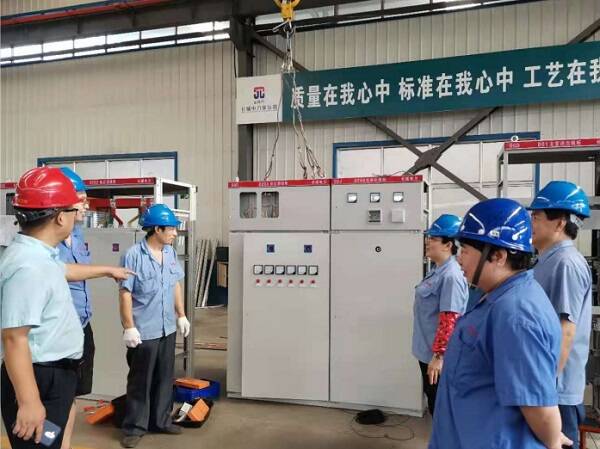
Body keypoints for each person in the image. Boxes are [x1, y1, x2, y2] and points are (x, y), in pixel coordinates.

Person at [0, 167, 132, 449]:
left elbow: (65, 270)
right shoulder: (29, 267)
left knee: (50, 440)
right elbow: (14, 338)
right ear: (60, 217)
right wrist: (29, 403)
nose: (78, 213)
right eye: (74, 208)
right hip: (40, 380)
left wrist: (108, 270)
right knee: (38, 442)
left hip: (55, 377)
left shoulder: (41, 254)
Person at [429, 198, 572, 449]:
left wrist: (552, 438)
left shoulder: (517, 314)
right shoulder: (494, 295)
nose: (459, 259)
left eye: (465, 250)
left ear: (498, 256)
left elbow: (538, 407)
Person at [119, 204, 191, 448]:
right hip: (144, 331)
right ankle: (134, 427)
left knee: (164, 377)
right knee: (140, 381)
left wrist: (181, 315)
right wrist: (129, 326)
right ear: (157, 229)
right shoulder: (133, 255)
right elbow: (125, 294)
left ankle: (161, 421)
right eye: (171, 229)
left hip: (166, 328)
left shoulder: (170, 253)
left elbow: (175, 284)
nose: (175, 233)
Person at [529, 180, 592, 449]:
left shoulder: (566, 263)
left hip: (556, 391)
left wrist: (546, 388)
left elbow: (565, 330)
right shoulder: (547, 261)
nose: (530, 223)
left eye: (536, 217)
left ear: (560, 223)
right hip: (543, 383)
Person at [412, 214, 468, 416]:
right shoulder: (438, 270)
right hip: (427, 350)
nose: (427, 242)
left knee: (440, 407)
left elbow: (450, 318)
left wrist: (439, 356)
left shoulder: (451, 275)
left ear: (448, 245)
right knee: (434, 401)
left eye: (434, 238)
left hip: (437, 358)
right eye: (428, 237)